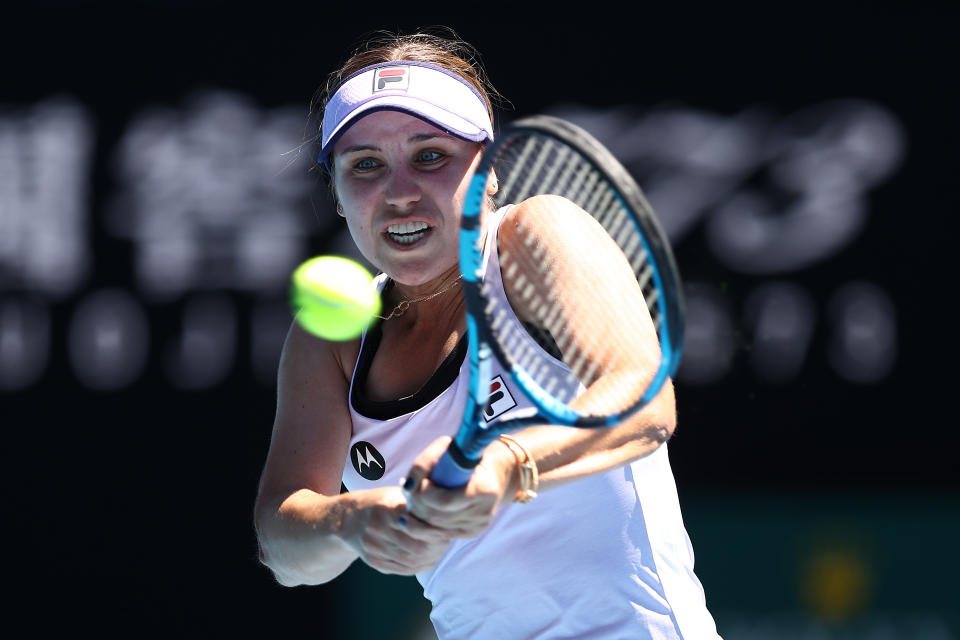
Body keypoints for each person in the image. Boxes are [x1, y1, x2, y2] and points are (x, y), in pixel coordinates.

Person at [254, 29, 722, 640]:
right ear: (338, 197)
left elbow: (645, 402)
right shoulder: (329, 342)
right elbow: (284, 549)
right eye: (366, 166)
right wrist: (351, 521)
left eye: (431, 156)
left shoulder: (534, 238)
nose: (399, 193)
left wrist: (509, 463)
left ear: (490, 171)